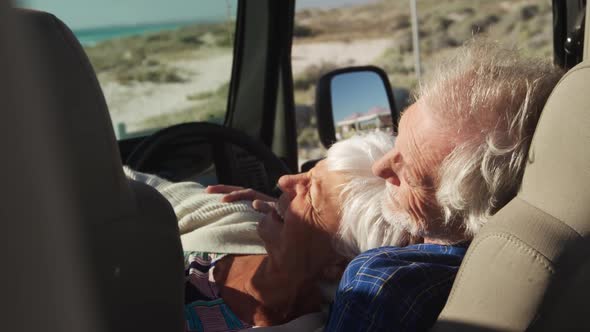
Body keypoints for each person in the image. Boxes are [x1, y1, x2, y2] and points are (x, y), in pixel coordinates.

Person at [324, 40, 564, 331]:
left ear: (470, 209)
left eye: (409, 176)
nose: (379, 168)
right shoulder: (553, 264)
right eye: (397, 139)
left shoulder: (383, 282)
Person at [126, 132, 416, 331]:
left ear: (337, 265)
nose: (284, 180)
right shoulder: (238, 212)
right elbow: (125, 183)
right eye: (309, 172)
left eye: (310, 193)